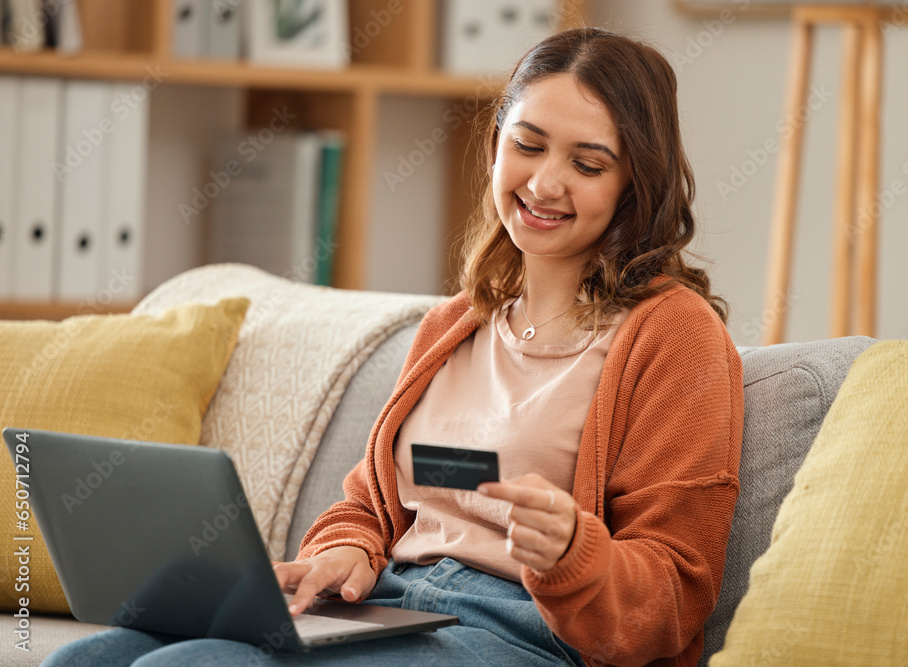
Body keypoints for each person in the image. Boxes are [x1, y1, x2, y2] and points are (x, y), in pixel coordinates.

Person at [42, 27, 743, 667]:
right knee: (87, 659)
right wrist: (343, 549)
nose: (544, 182)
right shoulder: (455, 325)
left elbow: (676, 594)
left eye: (587, 163)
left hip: (521, 632)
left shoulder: (675, 336)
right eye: (527, 144)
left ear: (633, 183)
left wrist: (573, 553)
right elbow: (368, 506)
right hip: (391, 606)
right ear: (497, 141)